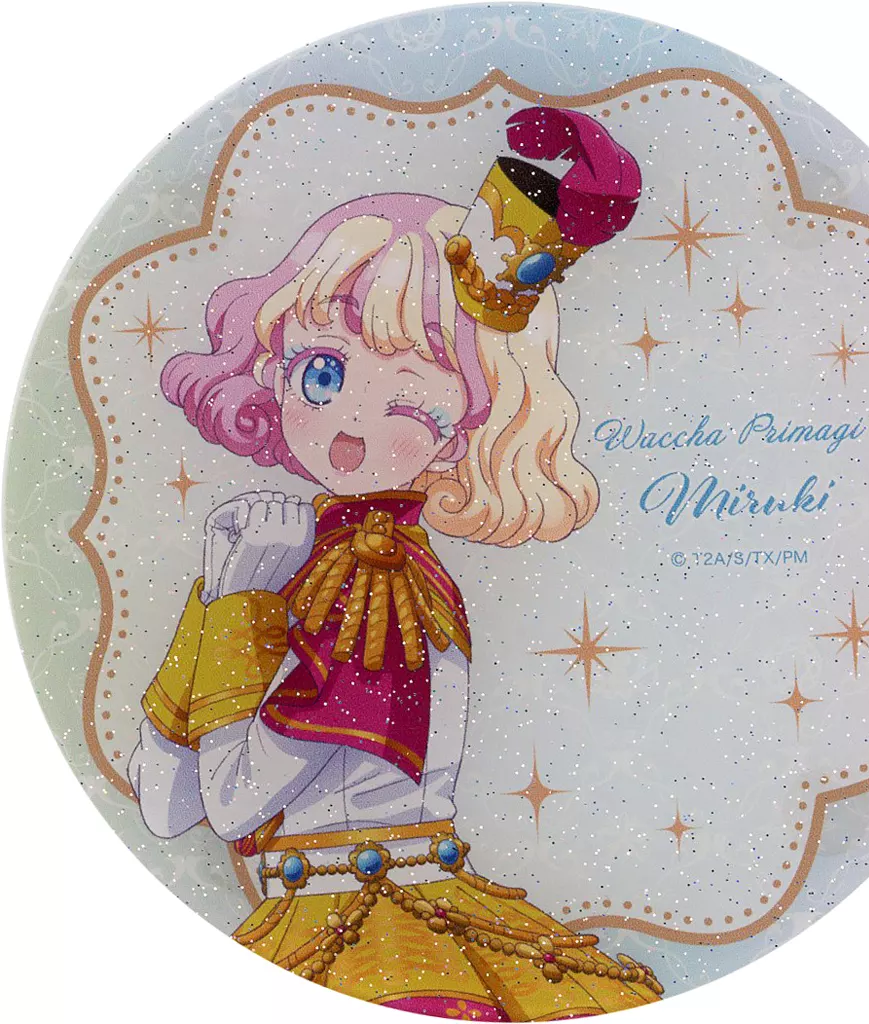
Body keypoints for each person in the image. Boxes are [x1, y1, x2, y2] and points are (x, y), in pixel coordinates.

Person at [129, 106, 661, 1020]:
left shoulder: (381, 586)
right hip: (319, 922)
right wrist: (223, 594)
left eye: (408, 406)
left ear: (462, 438)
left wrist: (239, 600)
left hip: (381, 939)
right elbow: (161, 805)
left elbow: (230, 805)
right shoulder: (290, 556)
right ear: (276, 364)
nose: (347, 428)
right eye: (323, 374)